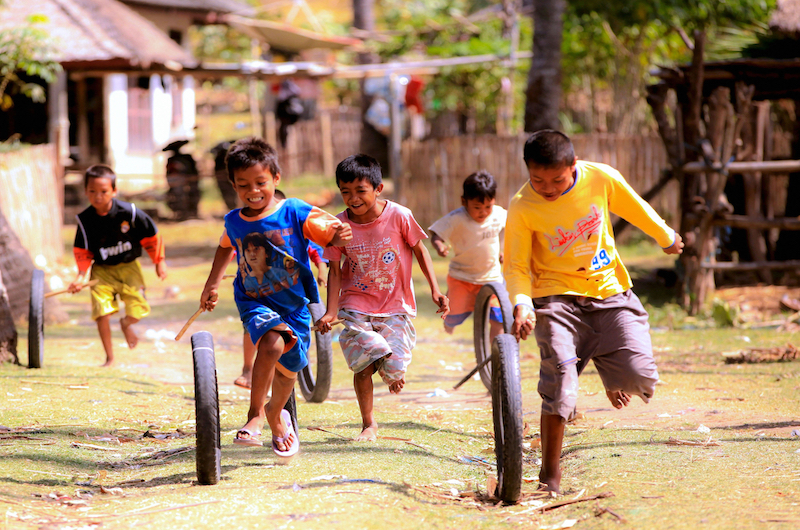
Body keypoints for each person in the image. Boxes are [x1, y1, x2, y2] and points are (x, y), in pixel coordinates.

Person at [504, 130, 684, 494]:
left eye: (557, 179)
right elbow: (517, 266)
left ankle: (608, 363)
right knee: (560, 387)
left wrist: (666, 237)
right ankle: (549, 476)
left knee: (641, 378)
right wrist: (522, 304)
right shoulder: (523, 205)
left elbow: (635, 207)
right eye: (538, 180)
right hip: (555, 298)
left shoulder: (600, 177)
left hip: (608, 290)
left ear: (573, 166)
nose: (548, 188)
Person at [200, 137, 351, 455]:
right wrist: (211, 284)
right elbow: (225, 247)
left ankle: (274, 412)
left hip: (295, 304)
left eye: (260, 182)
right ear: (233, 186)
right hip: (254, 300)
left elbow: (328, 231)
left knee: (289, 370)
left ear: (276, 179)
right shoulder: (234, 221)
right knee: (271, 342)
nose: (253, 191)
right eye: (243, 185)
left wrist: (338, 234)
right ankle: (255, 416)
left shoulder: (294, 210)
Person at [317, 154, 449, 441]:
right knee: (366, 361)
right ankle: (369, 424)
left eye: (360, 191)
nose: (352, 199)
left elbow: (420, 250)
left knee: (395, 364)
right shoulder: (339, 226)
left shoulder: (399, 215)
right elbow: (335, 271)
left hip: (395, 304)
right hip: (355, 303)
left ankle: (393, 369)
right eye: (345, 192)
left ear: (378, 189)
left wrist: (435, 289)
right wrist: (330, 312)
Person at [68, 164, 167, 367]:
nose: (98, 196)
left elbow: (152, 235)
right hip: (101, 272)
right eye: (92, 191)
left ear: (114, 191)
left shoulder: (129, 213)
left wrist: (159, 262)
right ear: (86, 191)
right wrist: (80, 278)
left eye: (103, 191)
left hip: (129, 268)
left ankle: (126, 324)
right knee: (101, 313)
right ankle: (110, 357)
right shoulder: (85, 221)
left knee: (137, 310)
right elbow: (83, 252)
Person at [233, 189, 330, 390]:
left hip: (290, 294)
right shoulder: (248, 233)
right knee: (253, 330)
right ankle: (247, 368)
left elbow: (316, 250)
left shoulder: (294, 225)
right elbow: (235, 251)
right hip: (259, 295)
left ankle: (284, 372)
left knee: (289, 339)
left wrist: (321, 270)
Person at [428, 170, 506, 338]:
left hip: (491, 277)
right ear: (464, 202)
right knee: (453, 317)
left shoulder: (498, 214)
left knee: (499, 319)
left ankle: (498, 355)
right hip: (462, 278)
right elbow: (436, 234)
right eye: (477, 207)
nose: (483, 212)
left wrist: (504, 249)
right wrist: (439, 246)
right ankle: (449, 321)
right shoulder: (457, 218)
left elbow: (513, 229)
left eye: (488, 207)